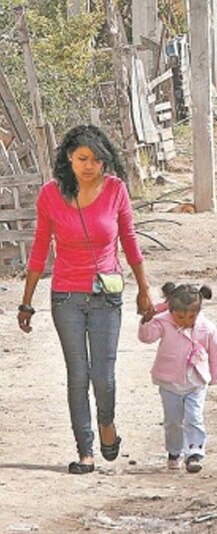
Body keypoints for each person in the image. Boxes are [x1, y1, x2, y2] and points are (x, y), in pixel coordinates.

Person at [17, 124, 154, 474]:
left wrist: (144, 289)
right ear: (68, 159)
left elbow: (130, 242)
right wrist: (26, 301)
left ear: (105, 161)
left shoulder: (116, 191)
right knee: (77, 374)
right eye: (81, 159)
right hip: (66, 296)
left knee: (102, 375)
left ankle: (107, 424)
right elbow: (39, 250)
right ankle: (85, 451)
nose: (89, 166)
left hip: (106, 296)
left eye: (95, 159)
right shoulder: (50, 195)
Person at [138, 283, 217, 474]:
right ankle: (174, 452)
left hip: (196, 382)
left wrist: (214, 376)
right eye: (180, 316)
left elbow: (215, 353)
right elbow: (146, 337)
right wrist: (148, 318)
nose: (185, 321)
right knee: (173, 420)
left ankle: (194, 452)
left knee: (194, 417)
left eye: (191, 317)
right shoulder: (162, 323)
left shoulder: (207, 328)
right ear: (171, 310)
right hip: (169, 383)